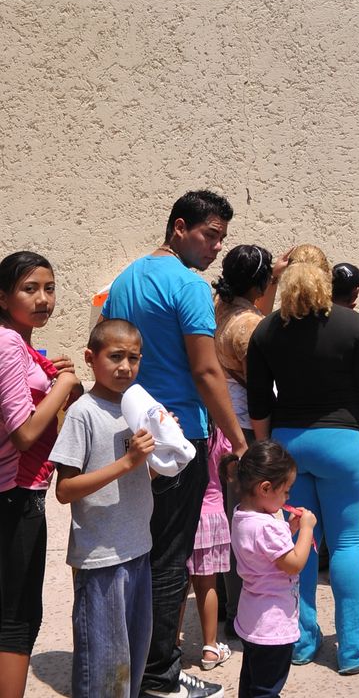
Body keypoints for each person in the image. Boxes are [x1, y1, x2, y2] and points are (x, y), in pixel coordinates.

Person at [101, 189, 246, 698]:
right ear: (179, 227)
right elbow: (206, 372)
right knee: (168, 559)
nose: (216, 247)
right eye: (210, 235)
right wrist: (239, 443)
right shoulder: (188, 286)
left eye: (222, 239)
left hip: (134, 437)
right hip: (179, 442)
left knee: (141, 554)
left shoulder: (125, 280)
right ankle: (158, 677)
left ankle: (136, 664)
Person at [247, 244, 359, 675]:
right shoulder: (351, 324)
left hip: (290, 445)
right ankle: (353, 648)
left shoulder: (267, 330)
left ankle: (302, 642)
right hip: (343, 444)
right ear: (326, 278)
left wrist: (267, 450)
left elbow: (259, 400)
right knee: (347, 544)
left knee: (301, 544)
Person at [50, 319, 155, 698]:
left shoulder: (135, 409)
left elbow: (142, 476)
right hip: (101, 559)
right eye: (115, 357)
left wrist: (163, 445)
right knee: (104, 670)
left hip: (138, 550)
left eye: (134, 358)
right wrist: (127, 462)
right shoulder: (83, 412)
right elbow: (65, 490)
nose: (125, 367)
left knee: (132, 662)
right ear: (90, 358)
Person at [0, 252, 81, 698]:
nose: (43, 299)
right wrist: (63, 386)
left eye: (49, 288)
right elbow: (25, 433)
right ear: (3, 297)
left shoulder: (20, 343)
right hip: (14, 494)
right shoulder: (8, 344)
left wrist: (58, 380)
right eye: (29, 289)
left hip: (20, 492)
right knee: (18, 617)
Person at [213, 243, 289, 636]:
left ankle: (226, 600)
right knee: (246, 519)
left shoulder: (222, 306)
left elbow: (256, 310)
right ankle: (239, 609)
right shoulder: (247, 327)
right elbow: (261, 381)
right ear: (257, 284)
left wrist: (270, 278)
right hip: (246, 426)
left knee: (228, 516)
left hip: (223, 422)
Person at [223, 440, 318, 697]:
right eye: (285, 491)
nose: (288, 497)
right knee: (267, 689)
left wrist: (290, 530)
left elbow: (265, 554)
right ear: (265, 488)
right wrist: (307, 529)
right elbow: (293, 564)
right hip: (272, 626)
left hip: (251, 618)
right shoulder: (267, 527)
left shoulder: (241, 515)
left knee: (252, 679)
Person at [186, 426, 232, 671]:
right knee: (207, 584)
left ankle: (172, 644)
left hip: (180, 515)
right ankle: (210, 648)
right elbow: (230, 467)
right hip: (211, 512)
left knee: (178, 586)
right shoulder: (217, 430)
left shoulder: (177, 424)